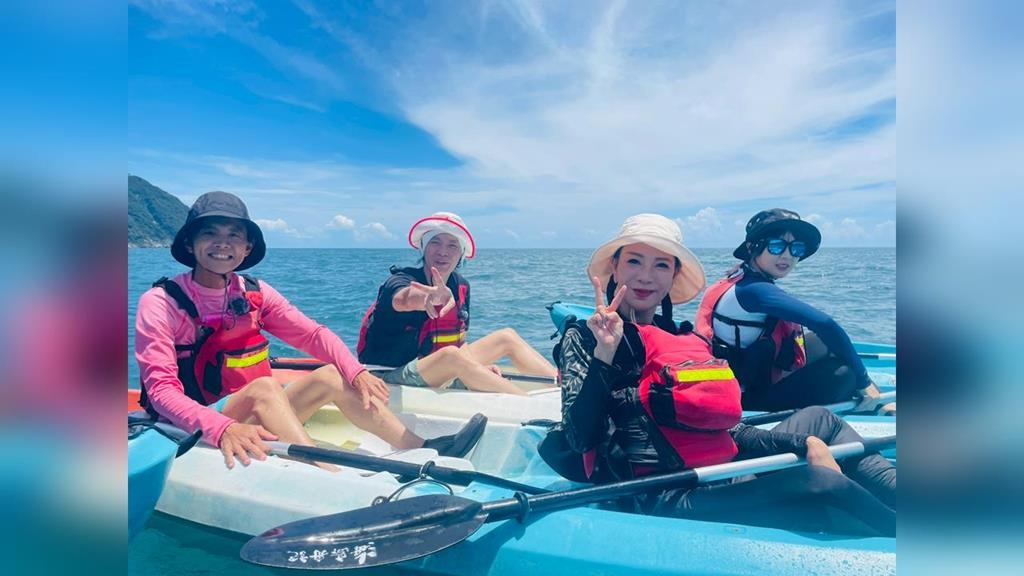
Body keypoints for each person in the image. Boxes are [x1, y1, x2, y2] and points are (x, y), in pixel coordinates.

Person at [541, 213, 895, 536]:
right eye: (634, 261)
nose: (646, 276)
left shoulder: (682, 337)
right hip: (660, 495)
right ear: (614, 268)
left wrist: (803, 443)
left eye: (661, 265)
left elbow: (726, 428)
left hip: (718, 472)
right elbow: (580, 438)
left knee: (821, 421)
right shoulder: (585, 337)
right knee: (819, 483)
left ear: (673, 275)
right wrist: (604, 355)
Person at [135, 192, 487, 470]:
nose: (222, 243)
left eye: (234, 236)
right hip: (193, 428)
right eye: (210, 233)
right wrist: (223, 427)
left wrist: (356, 371)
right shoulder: (162, 302)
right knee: (265, 388)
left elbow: (314, 335)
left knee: (332, 374)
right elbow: (161, 391)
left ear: (247, 247)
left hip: (252, 415)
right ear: (190, 244)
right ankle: (325, 472)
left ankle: (423, 449)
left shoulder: (254, 292)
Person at [695, 208, 895, 413]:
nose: (787, 256)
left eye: (796, 248)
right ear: (753, 247)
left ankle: (875, 399)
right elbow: (825, 324)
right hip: (745, 397)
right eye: (777, 246)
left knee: (823, 341)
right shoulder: (754, 290)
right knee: (844, 375)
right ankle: (875, 404)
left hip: (755, 373)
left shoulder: (741, 277)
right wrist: (864, 381)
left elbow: (825, 331)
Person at [357, 212, 557, 396]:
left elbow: (459, 343)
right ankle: (527, 404)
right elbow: (403, 299)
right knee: (451, 356)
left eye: (452, 245)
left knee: (506, 337)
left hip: (433, 369)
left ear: (461, 253)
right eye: (435, 242)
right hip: (387, 376)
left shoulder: (461, 286)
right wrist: (428, 298)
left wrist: (475, 369)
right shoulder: (401, 281)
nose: (443, 251)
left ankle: (566, 392)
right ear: (424, 248)